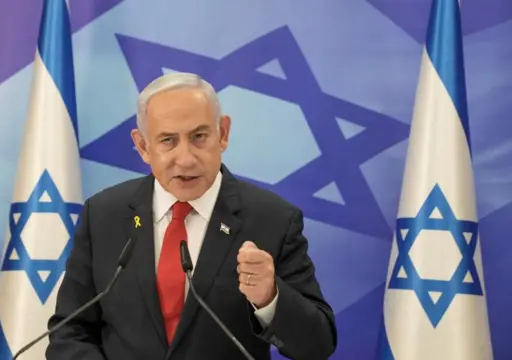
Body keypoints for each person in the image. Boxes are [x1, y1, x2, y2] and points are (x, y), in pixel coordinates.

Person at [46, 72, 337, 360]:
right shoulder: (104, 214)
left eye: (199, 137)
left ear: (222, 134)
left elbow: (318, 345)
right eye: (168, 141)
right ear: (143, 146)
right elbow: (69, 331)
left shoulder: (272, 220)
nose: (185, 158)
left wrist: (270, 297)